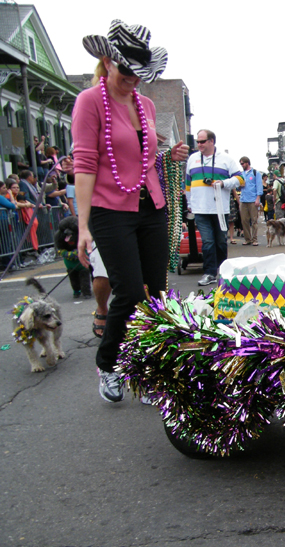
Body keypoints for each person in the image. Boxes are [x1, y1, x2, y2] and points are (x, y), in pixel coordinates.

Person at [73, 19, 188, 403]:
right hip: (109, 210)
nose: (133, 80)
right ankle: (108, 365)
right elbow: (85, 163)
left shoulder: (147, 104)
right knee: (128, 293)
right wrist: (84, 225)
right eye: (126, 72)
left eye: (140, 74)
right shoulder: (89, 101)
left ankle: (149, 371)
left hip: (151, 207)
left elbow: (142, 157)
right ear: (107, 62)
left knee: (157, 293)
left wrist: (166, 157)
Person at [185, 129, 243, 286]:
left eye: (202, 141)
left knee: (220, 242)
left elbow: (240, 179)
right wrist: (189, 204)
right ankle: (210, 273)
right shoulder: (192, 159)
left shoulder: (226, 159)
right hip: (200, 209)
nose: (199, 145)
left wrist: (223, 183)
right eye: (198, 141)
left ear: (211, 141)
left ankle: (224, 272)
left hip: (219, 208)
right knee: (207, 242)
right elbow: (188, 184)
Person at [238, 156, 262, 246]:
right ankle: (247, 239)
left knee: (254, 220)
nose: (241, 165)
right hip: (243, 199)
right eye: (240, 164)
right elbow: (238, 187)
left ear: (247, 163)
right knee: (244, 220)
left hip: (253, 199)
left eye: (242, 163)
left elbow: (259, 186)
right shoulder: (241, 174)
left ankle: (254, 239)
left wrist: (258, 198)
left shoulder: (255, 173)